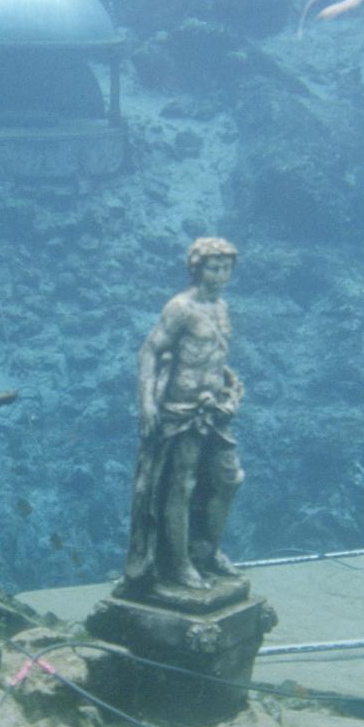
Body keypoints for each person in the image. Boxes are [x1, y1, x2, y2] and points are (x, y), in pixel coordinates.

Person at [124, 237, 245, 596]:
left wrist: (230, 391)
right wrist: (146, 403)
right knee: (181, 485)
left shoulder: (222, 307)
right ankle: (178, 564)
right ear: (197, 268)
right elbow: (149, 350)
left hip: (214, 412)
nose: (220, 274)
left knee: (229, 479)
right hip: (181, 411)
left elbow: (213, 359)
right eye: (213, 267)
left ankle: (205, 550)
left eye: (225, 268)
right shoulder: (180, 307)